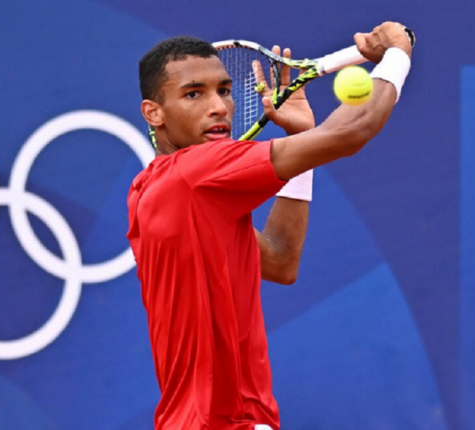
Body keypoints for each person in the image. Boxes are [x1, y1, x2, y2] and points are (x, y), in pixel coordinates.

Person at [127, 22, 413, 430]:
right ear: (154, 113)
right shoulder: (195, 172)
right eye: (194, 93)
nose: (219, 107)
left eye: (224, 90)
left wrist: (301, 136)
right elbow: (352, 130)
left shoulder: (149, 189)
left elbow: (279, 260)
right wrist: (397, 54)